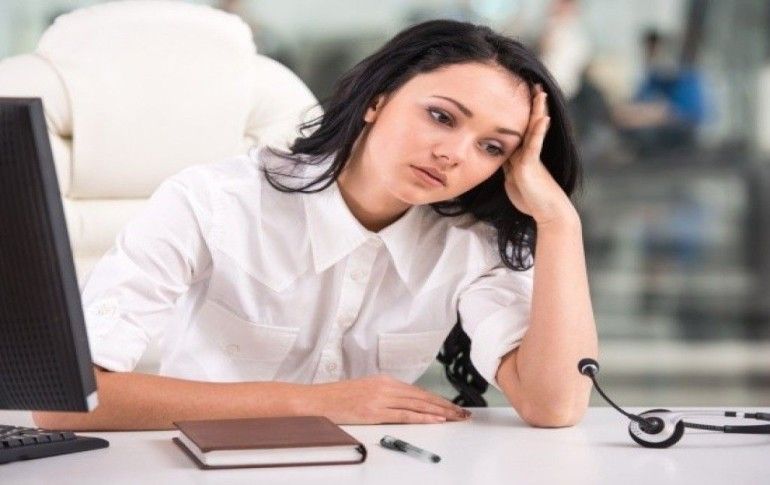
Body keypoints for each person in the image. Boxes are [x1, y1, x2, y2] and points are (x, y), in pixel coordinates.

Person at [33, 20, 598, 430]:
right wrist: (317, 403)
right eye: (441, 116)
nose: (453, 154)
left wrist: (559, 222)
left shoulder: (471, 241)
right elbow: (64, 403)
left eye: (493, 147)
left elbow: (554, 405)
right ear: (378, 99)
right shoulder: (212, 202)